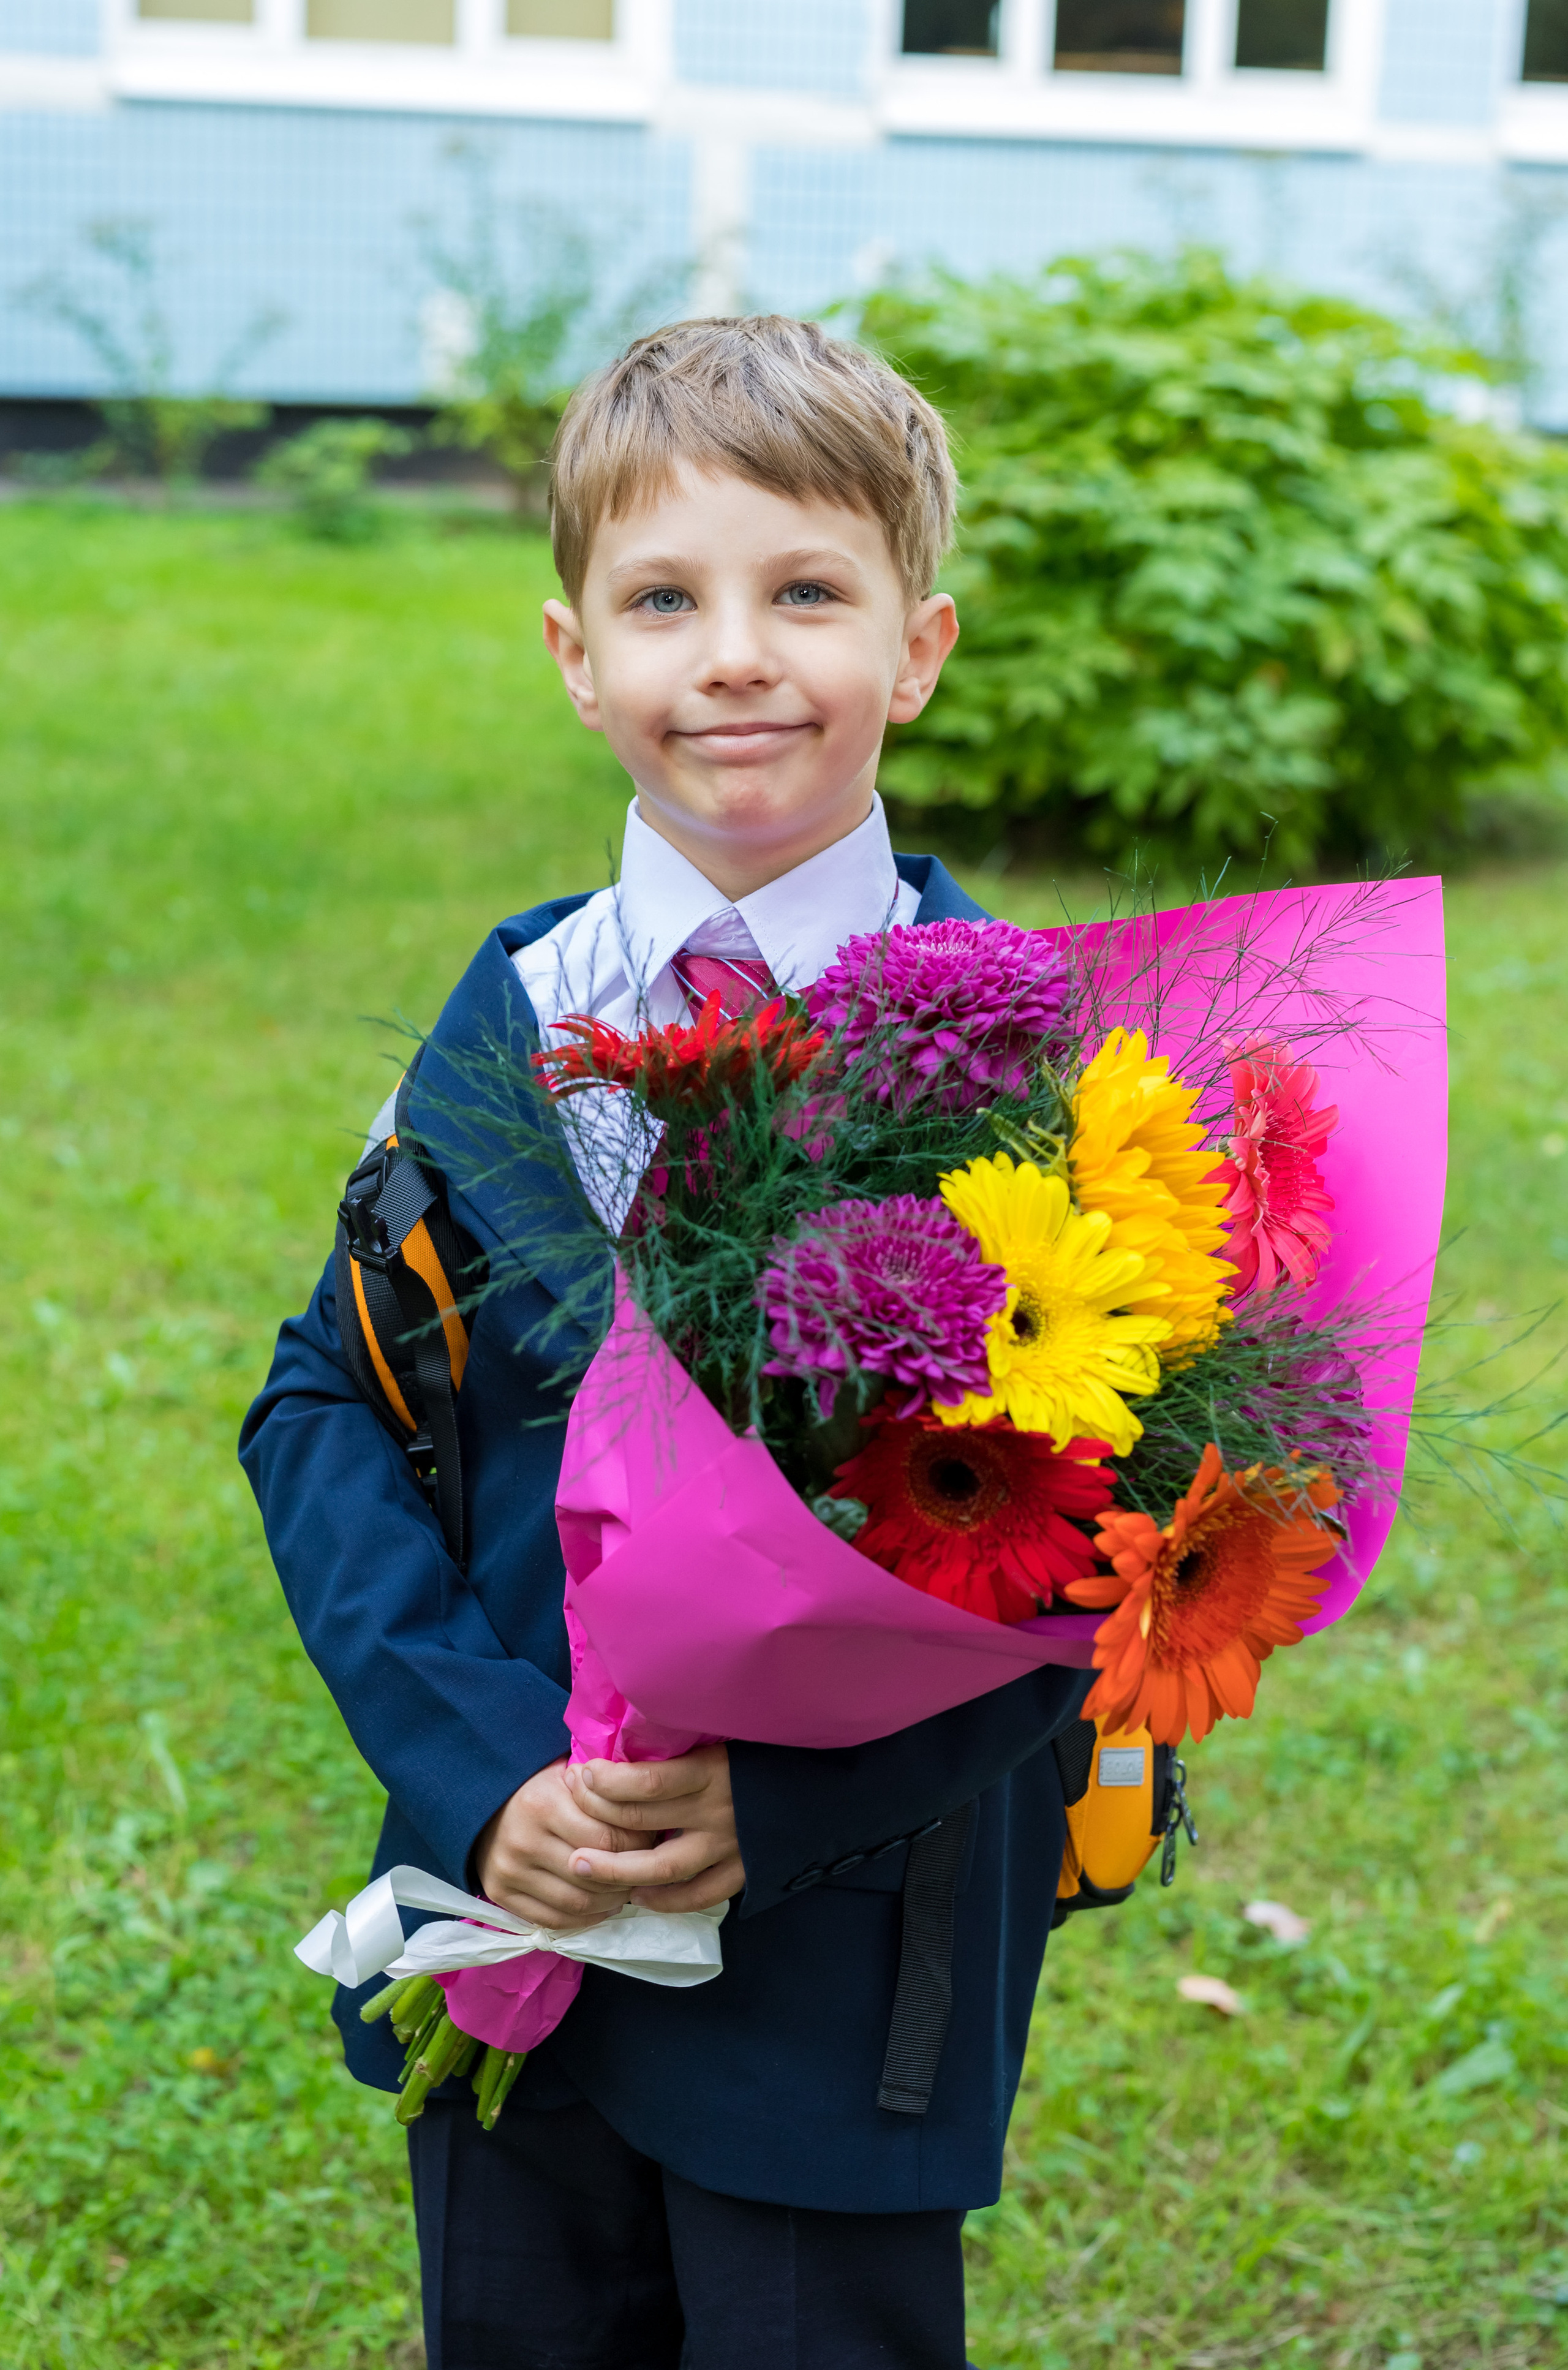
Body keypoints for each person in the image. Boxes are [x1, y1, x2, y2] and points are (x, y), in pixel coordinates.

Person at [241, 315, 1092, 2370]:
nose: (735, 655)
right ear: (573, 657)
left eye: (808, 590)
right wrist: (479, 1770)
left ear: (921, 646)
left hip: (841, 1974)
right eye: (664, 599)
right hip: (517, 1912)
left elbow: (1103, 1547)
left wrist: (787, 1816)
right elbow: (323, 1409)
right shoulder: (502, 1020)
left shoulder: (1038, 1068)